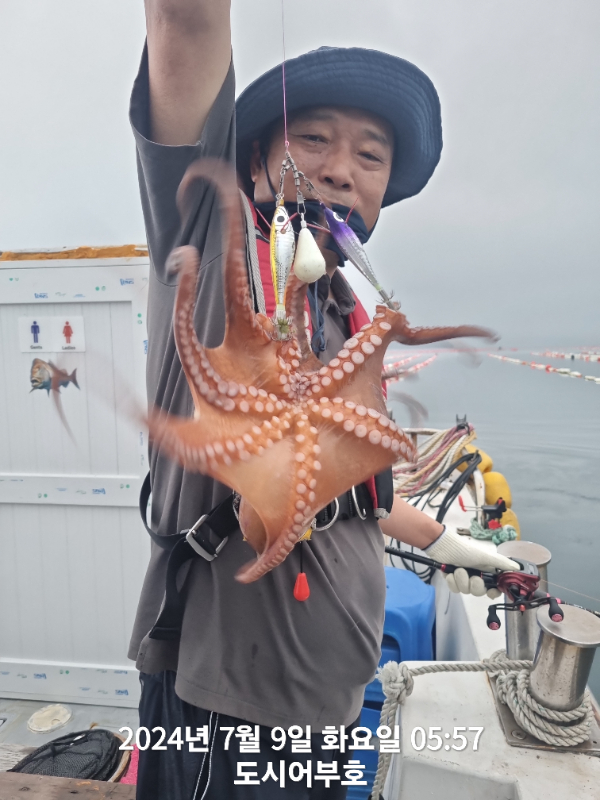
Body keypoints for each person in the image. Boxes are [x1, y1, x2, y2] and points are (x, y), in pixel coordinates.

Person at [130, 3, 518, 798]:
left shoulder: (342, 314)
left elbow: (353, 495)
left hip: (328, 708)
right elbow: (184, 22)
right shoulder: (211, 239)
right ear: (254, 158)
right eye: (312, 139)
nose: (342, 168)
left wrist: (454, 546)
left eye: (370, 154)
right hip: (227, 717)